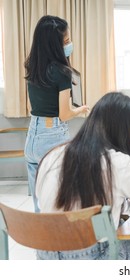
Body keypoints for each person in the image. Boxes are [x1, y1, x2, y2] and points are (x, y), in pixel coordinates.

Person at [34, 92, 130, 260]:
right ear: (127, 131)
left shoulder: (52, 155)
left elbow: (43, 201)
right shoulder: (119, 162)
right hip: (89, 256)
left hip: (45, 251)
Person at [24, 15, 89, 212]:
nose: (69, 44)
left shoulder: (32, 66)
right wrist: (80, 109)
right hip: (52, 137)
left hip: (32, 137)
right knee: (57, 197)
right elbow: (64, 114)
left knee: (38, 199)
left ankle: (41, 238)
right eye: (66, 41)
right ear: (54, 44)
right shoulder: (62, 72)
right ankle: (58, 239)